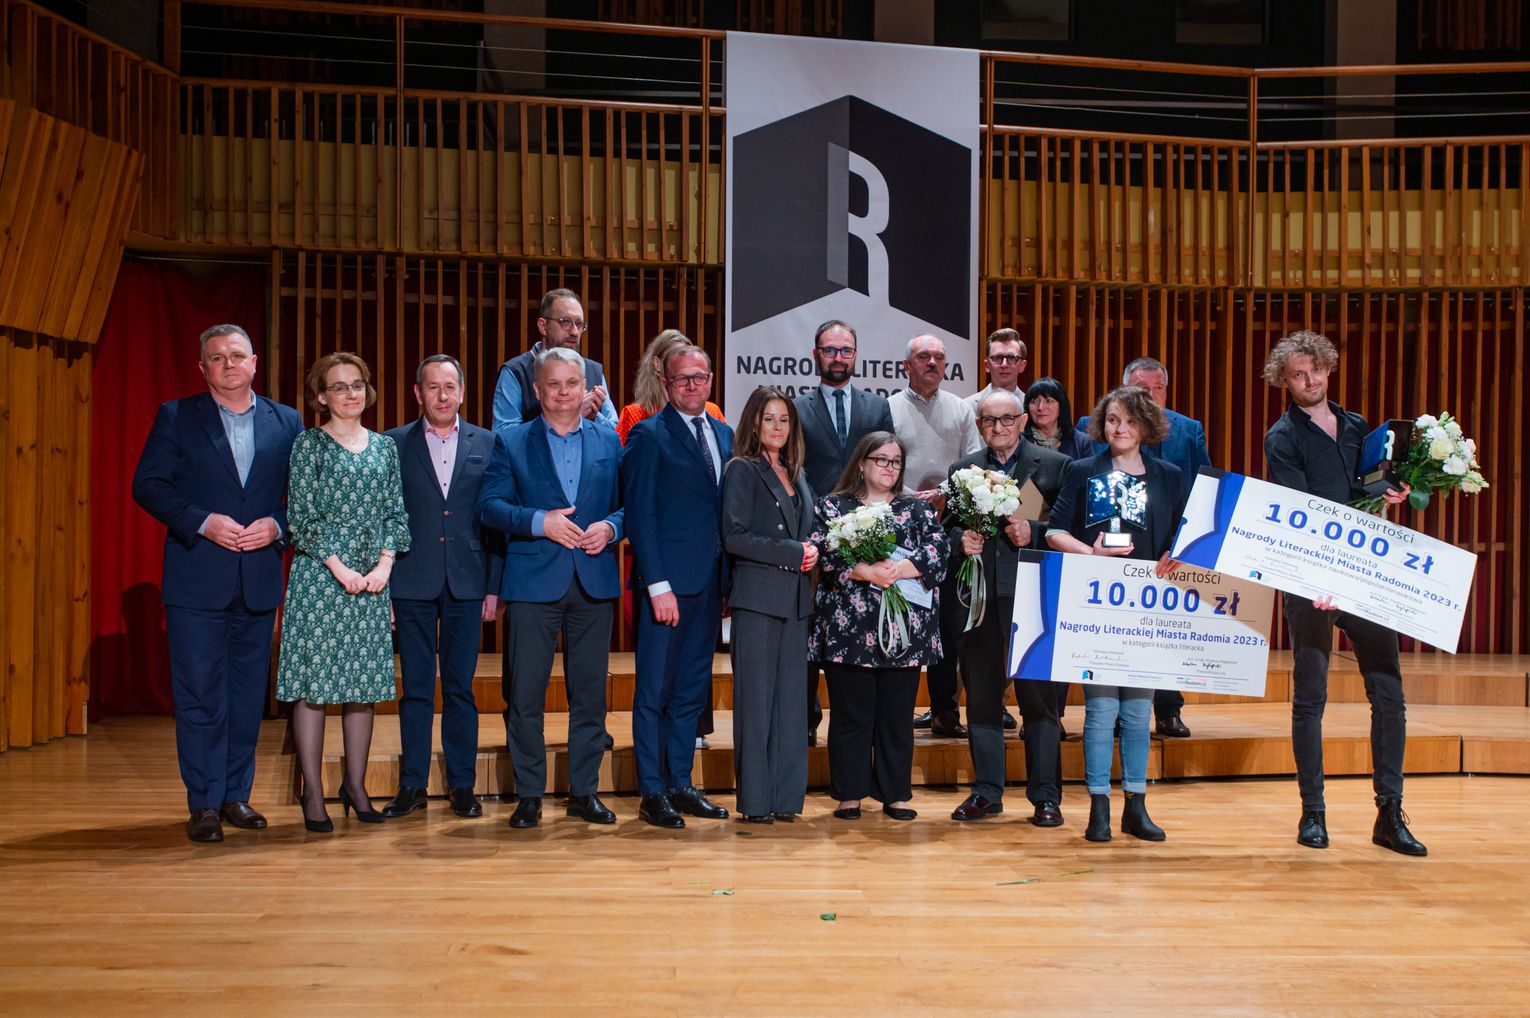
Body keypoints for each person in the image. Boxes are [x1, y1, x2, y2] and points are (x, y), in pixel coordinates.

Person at [131, 324, 304, 843]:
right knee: (200, 695)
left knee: (247, 696)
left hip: (258, 579)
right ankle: (204, 803)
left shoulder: (287, 420)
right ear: (202, 368)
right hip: (197, 578)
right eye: (217, 357)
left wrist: (278, 526)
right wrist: (203, 522)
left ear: (254, 362)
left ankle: (236, 796)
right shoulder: (177, 416)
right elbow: (148, 485)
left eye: (236, 355)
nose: (228, 364)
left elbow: (306, 497)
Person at [1262, 331, 1426, 856]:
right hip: (1311, 581)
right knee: (1310, 697)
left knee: (1389, 692)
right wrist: (1323, 578)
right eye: (1298, 374)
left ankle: (1389, 814)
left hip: (1365, 577)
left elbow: (1370, 489)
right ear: (1284, 381)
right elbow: (1302, 512)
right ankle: (1313, 813)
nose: (1310, 381)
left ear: (1329, 369)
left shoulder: (1358, 426)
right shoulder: (1281, 437)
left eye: (1317, 370)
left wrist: (1393, 491)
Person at [479, 347, 625, 829]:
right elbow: (489, 507)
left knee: (590, 697)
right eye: (554, 384)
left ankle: (584, 792)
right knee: (525, 696)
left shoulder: (609, 440)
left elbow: (629, 505)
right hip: (531, 584)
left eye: (572, 383)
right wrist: (539, 522)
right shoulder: (512, 441)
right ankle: (529, 795)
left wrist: (611, 527)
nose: (564, 393)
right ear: (538, 390)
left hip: (593, 582)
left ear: (586, 389)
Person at [276, 353, 411, 833]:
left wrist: (384, 566)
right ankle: (313, 791)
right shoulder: (308, 445)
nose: (350, 393)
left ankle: (355, 786)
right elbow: (301, 517)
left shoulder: (384, 447)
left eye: (356, 384)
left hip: (371, 580)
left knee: (363, 688)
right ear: (321, 397)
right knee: (314, 688)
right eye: (339, 386)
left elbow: (395, 513)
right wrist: (339, 568)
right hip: (320, 578)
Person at [1046, 385, 1187, 844]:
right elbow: (1053, 532)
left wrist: (1175, 554)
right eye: (1112, 420)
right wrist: (1091, 553)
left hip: (1147, 608)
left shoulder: (1168, 475)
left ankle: (1136, 807)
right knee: (1101, 710)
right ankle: (1099, 808)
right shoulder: (1082, 470)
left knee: (1138, 711)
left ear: (1145, 426)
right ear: (1101, 425)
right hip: (1096, 604)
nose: (1120, 428)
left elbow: (1183, 537)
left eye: (1129, 420)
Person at [382, 354, 501, 821]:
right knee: (415, 689)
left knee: (459, 688)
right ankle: (411, 784)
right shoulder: (393, 444)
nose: (442, 395)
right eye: (433, 387)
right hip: (411, 579)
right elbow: (384, 517)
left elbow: (494, 520)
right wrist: (385, 585)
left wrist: (494, 586)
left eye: (450, 386)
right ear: (418, 393)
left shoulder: (488, 442)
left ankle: (462, 785)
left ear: (462, 392)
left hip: (468, 581)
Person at [944, 390, 1072, 826]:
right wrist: (959, 540)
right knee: (981, 698)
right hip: (980, 600)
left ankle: (1046, 797)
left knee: (1039, 702)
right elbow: (947, 529)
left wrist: (1033, 530)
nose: (997, 427)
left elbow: (1069, 526)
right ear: (979, 425)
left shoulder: (1054, 466)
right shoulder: (963, 471)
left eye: (1005, 419)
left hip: (1034, 598)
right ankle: (986, 792)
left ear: (1021, 421)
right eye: (988, 420)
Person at [621, 344, 734, 828]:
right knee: (654, 691)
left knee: (691, 690)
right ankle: (652, 791)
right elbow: (640, 515)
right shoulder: (648, 435)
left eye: (699, 377)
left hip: (711, 583)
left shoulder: (725, 434)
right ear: (665, 384)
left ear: (710, 380)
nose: (692, 385)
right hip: (666, 587)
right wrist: (657, 584)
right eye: (682, 378)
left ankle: (681, 784)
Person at [811, 432, 948, 821]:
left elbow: (938, 549)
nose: (889, 468)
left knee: (896, 715)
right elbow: (822, 551)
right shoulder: (835, 506)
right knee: (851, 714)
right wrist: (865, 571)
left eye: (896, 462)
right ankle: (849, 794)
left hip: (902, 630)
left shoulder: (914, 508)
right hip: (849, 627)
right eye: (881, 460)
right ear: (862, 463)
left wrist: (899, 569)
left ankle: (895, 794)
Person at [793, 320, 894, 744]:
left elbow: (887, 465)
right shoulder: (797, 408)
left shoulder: (877, 406)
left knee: (856, 631)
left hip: (865, 536)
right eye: (830, 350)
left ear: (856, 355)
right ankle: (805, 719)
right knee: (808, 630)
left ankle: (856, 723)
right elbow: (793, 468)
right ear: (816, 355)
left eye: (845, 350)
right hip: (812, 533)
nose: (838, 357)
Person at [719, 387, 817, 823]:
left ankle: (786, 799)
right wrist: (793, 552)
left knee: (791, 706)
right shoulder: (742, 469)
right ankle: (757, 802)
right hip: (757, 600)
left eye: (784, 420)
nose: (777, 427)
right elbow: (734, 536)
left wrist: (815, 549)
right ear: (754, 423)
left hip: (795, 602)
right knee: (756, 705)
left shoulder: (796, 473)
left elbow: (806, 530)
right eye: (769, 419)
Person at [888, 334, 981, 739]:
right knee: (903, 619)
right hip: (900, 527)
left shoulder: (961, 409)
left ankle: (945, 711)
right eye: (923, 356)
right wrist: (912, 497)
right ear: (906, 365)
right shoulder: (888, 408)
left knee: (948, 623)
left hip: (949, 525)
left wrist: (944, 492)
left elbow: (975, 464)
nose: (931, 362)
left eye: (939, 357)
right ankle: (896, 715)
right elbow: (880, 462)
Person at [1119, 356, 1212, 740]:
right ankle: (1123, 712)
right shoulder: (1108, 425)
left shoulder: (1188, 430)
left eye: (1159, 388)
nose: (1152, 395)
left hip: (1171, 546)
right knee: (1122, 631)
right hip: (1120, 544)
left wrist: (1184, 546)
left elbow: (1205, 489)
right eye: (1143, 388)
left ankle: (1169, 709)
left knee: (1168, 630)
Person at [492, 287, 617, 434]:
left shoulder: (594, 371)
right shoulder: (516, 372)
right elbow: (503, 436)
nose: (574, 332)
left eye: (579, 324)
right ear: (543, 326)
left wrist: (594, 417)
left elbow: (617, 434)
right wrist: (571, 416)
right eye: (565, 322)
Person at [616, 328, 726, 445]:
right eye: (675, 357)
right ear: (657, 364)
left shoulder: (712, 412)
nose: (683, 364)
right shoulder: (634, 415)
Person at [1023, 376, 1095, 461]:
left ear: (1061, 406)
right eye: (1034, 401)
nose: (1041, 407)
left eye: (1048, 401)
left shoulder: (1082, 442)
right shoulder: (1019, 441)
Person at [967, 328, 1028, 414]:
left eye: (1011, 358)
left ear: (1022, 365)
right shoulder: (967, 407)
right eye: (998, 358)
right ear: (987, 365)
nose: (1004, 364)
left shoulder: (1032, 408)